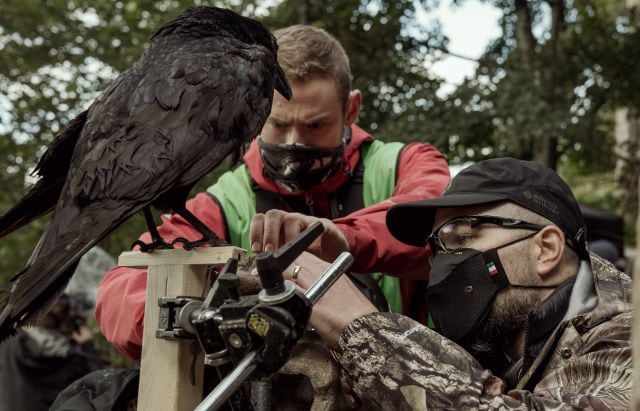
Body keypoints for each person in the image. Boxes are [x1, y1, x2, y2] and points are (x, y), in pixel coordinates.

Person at [95, 25, 450, 359]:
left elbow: (442, 227)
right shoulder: (222, 202)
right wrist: (199, 314)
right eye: (278, 124)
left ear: (351, 109)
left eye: (315, 125)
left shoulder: (404, 163)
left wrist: (344, 238)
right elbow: (121, 286)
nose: (294, 143)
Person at [286, 158, 631, 409]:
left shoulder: (627, 336)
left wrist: (363, 329)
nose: (442, 262)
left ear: (546, 249)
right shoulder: (505, 348)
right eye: (435, 247)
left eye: (461, 235)